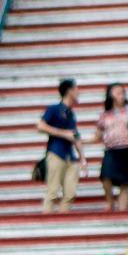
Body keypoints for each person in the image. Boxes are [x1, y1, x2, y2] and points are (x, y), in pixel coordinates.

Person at [96, 83, 128, 211]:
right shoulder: (105, 115)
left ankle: (122, 208)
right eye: (118, 93)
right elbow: (98, 135)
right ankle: (109, 202)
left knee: (125, 182)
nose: (121, 96)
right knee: (106, 177)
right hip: (112, 150)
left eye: (122, 93)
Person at [37, 77, 83, 212]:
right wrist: (63, 133)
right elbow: (41, 126)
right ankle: (47, 220)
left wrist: (83, 157)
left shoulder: (71, 114)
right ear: (70, 91)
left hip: (70, 155)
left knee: (70, 192)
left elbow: (75, 136)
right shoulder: (54, 109)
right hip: (56, 153)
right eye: (76, 89)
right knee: (52, 191)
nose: (78, 92)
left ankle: (63, 215)